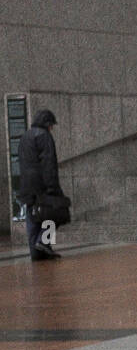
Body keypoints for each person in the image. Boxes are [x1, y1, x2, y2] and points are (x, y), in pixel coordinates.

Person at [17, 109, 63, 261]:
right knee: (54, 213)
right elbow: (49, 163)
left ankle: (36, 254)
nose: (52, 128)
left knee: (33, 217)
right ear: (47, 123)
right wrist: (52, 187)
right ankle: (44, 243)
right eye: (51, 125)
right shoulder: (44, 136)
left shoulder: (25, 136)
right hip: (41, 184)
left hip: (26, 185)